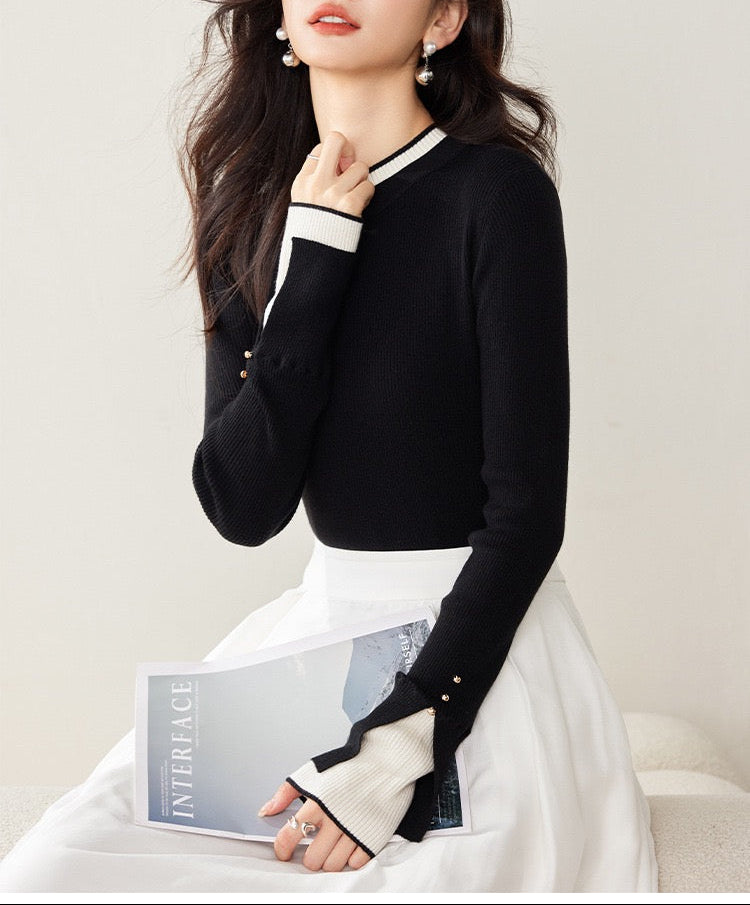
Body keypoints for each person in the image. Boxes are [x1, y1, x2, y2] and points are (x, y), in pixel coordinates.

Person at [0, 0, 659, 893]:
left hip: (477, 652)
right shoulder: (249, 202)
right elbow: (242, 504)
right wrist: (315, 255)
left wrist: (398, 745)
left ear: (443, 20)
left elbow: (527, 517)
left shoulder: (497, 194)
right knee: (51, 870)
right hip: (324, 635)